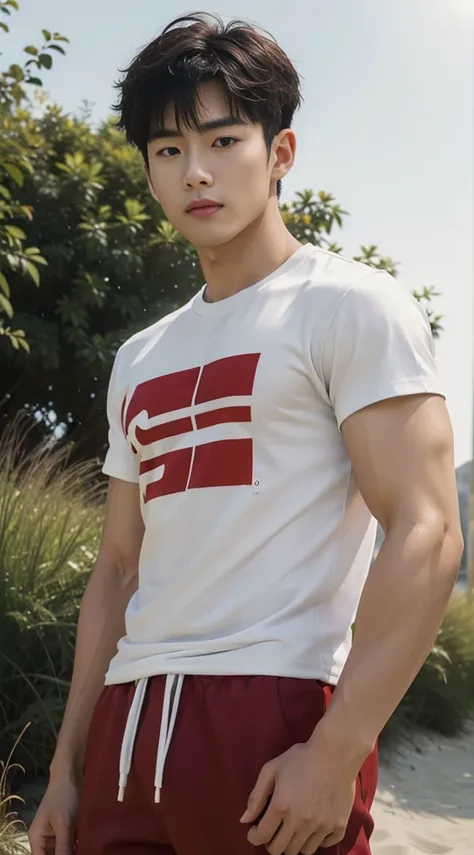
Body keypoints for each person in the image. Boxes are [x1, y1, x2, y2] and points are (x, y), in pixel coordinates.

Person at [29, 12, 463, 855]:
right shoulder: (138, 355)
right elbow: (119, 567)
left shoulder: (349, 306)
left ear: (281, 154)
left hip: (273, 716)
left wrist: (338, 749)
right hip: (129, 718)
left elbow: (428, 528)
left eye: (224, 140)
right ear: (149, 171)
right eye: (166, 150)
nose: (196, 172)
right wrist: (65, 768)